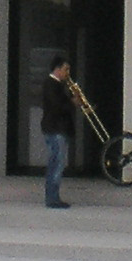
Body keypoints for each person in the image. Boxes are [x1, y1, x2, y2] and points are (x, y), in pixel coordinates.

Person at [39, 57, 76, 209]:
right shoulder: (50, 84)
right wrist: (72, 102)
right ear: (57, 69)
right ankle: (52, 199)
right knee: (56, 164)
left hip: (59, 128)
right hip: (55, 129)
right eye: (66, 69)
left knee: (57, 163)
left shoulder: (57, 85)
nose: (68, 73)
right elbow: (56, 107)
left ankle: (53, 197)